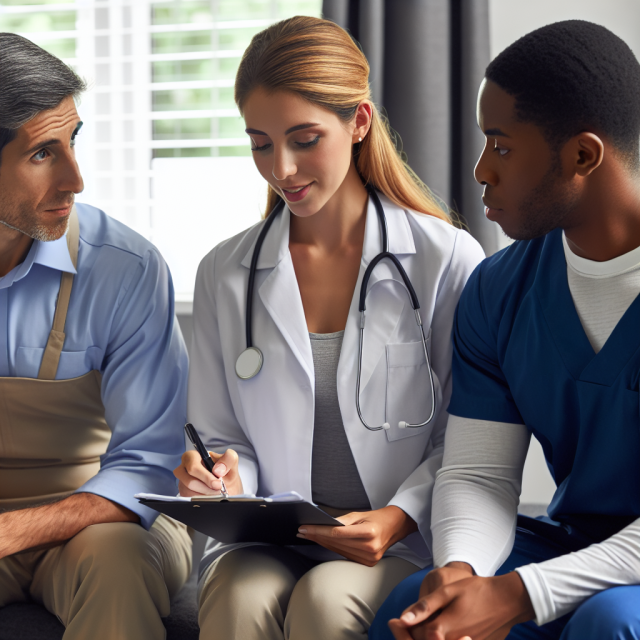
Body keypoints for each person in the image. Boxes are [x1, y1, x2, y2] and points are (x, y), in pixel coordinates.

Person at [173, 15, 484, 640]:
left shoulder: (446, 259)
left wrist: (398, 517)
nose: (281, 167)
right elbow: (220, 433)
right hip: (270, 540)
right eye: (261, 142)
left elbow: (471, 441)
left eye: (304, 138)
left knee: (326, 600)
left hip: (396, 536)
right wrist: (222, 477)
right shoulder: (225, 273)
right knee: (237, 597)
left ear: (359, 123)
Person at [369, 20, 640, 640]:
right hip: (576, 542)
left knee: (610, 623)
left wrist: (520, 594)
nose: (480, 170)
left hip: (620, 584)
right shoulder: (497, 289)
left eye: (502, 145)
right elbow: (479, 472)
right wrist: (462, 571)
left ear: (582, 155)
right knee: (414, 605)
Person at [0, 34, 192, 639]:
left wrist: (12, 530)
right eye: (42, 154)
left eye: (73, 143)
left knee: (117, 561)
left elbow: (151, 464)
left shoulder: (126, 267)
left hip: (106, 519)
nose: (75, 180)